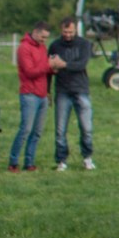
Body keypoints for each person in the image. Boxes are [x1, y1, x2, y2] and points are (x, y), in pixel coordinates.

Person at [48, 15, 95, 171]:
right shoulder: (55, 45)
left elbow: (81, 64)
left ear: (75, 30)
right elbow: (49, 67)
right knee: (60, 129)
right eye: (65, 32)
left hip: (81, 90)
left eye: (70, 32)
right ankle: (61, 160)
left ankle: (87, 157)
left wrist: (63, 64)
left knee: (86, 128)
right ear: (61, 30)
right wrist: (47, 90)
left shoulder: (84, 44)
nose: (68, 35)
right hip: (62, 91)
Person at [9, 20, 51, 171]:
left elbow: (44, 70)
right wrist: (49, 66)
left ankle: (29, 162)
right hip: (29, 94)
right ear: (36, 32)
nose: (44, 40)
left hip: (42, 95)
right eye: (43, 37)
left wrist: (53, 68)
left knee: (37, 132)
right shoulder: (24, 48)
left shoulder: (42, 48)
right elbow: (30, 71)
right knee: (25, 129)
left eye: (46, 38)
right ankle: (13, 162)